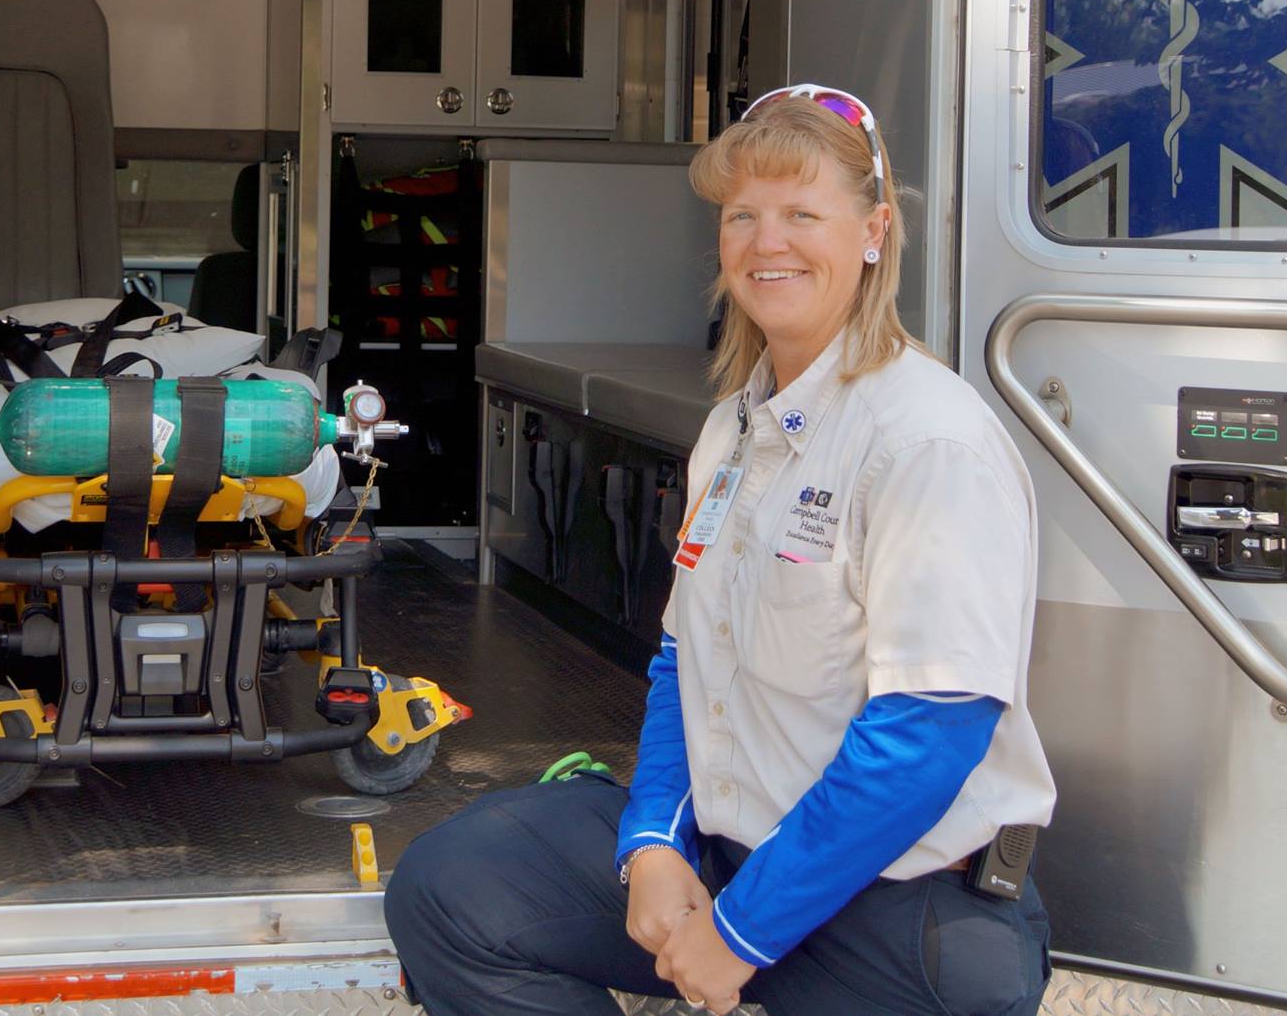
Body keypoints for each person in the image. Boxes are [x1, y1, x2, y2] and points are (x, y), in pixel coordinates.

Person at [386, 84, 1056, 1015]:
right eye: (743, 214)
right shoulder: (734, 430)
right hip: (731, 858)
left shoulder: (926, 441)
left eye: (801, 213)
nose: (766, 242)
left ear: (873, 230)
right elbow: (681, 662)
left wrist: (741, 934)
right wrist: (654, 841)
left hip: (901, 911)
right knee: (452, 890)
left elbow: (929, 736)